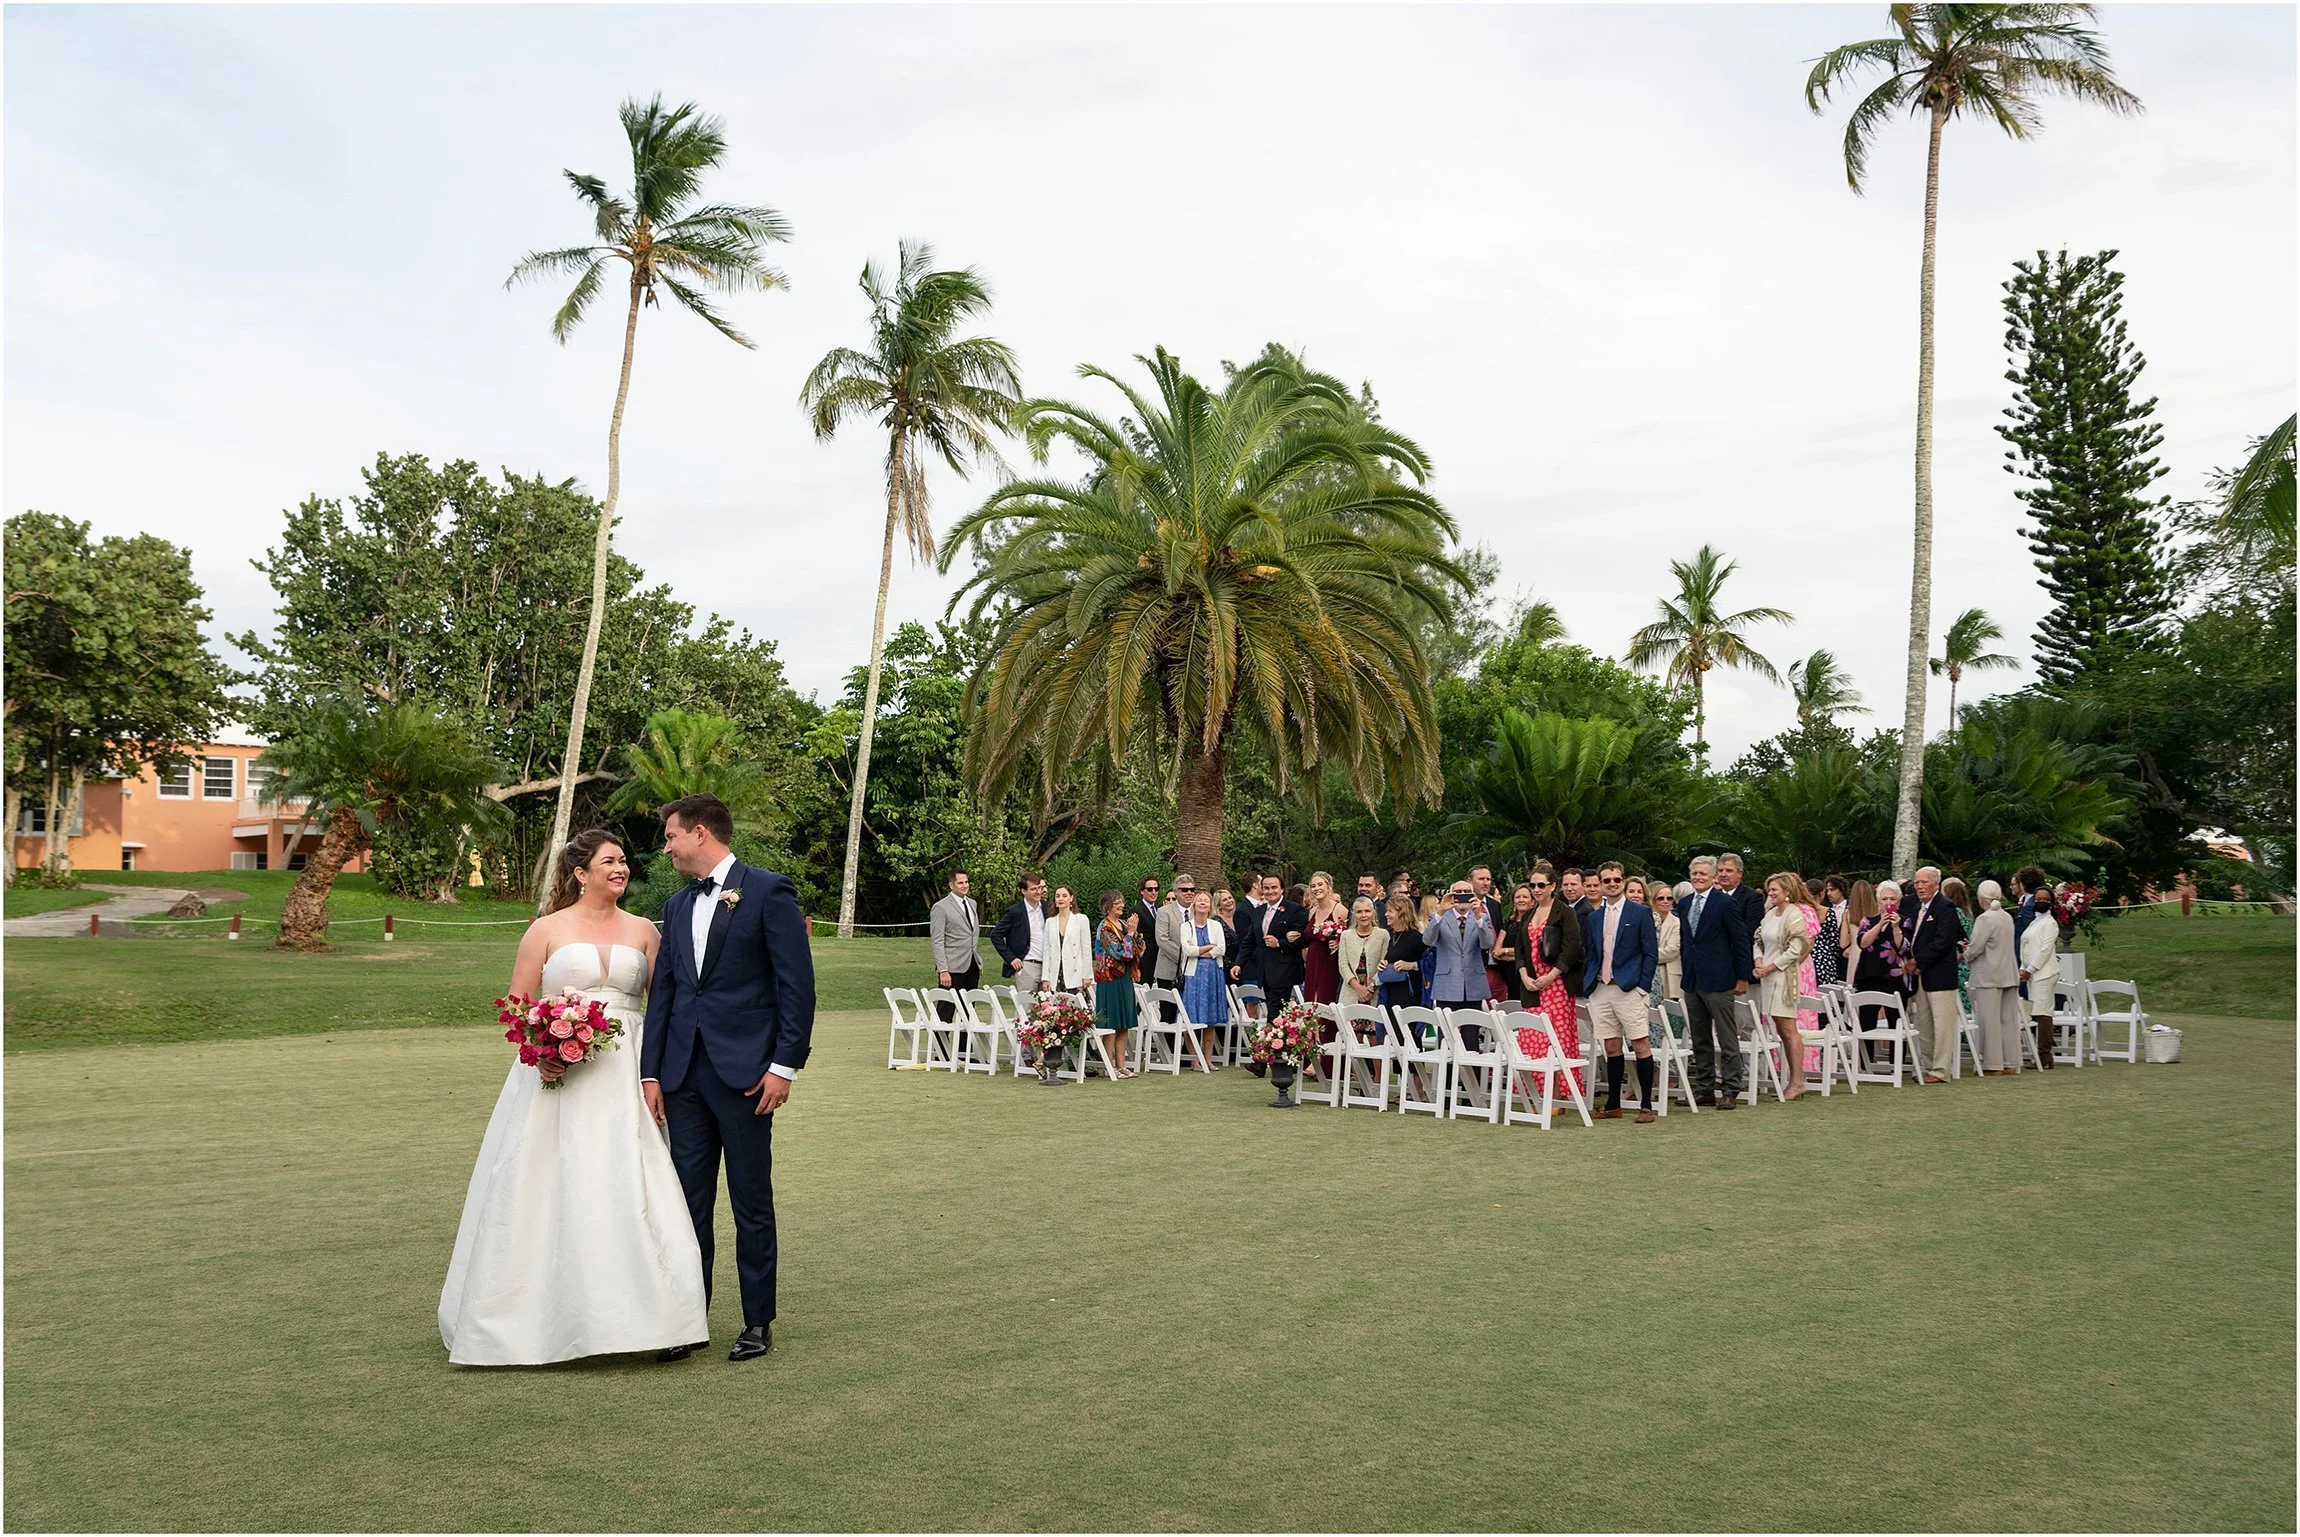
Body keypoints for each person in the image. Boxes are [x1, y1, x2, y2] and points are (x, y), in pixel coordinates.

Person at [440, 829, 709, 1366]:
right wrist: (542, 1047)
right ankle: (522, 1319)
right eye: (609, 861)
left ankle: (654, 1318)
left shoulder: (645, 931)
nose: (622, 867)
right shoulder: (546, 929)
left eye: (624, 860)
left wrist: (659, 1073)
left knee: (630, 1180)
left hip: (628, 1070)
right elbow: (517, 1005)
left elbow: (665, 1006)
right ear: (580, 873)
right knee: (547, 1181)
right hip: (557, 1075)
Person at [638, 793, 816, 1363]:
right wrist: (651, 1074)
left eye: (670, 837)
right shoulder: (675, 904)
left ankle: (757, 1321)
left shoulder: (768, 891)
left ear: (700, 833)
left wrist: (782, 1066)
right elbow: (664, 993)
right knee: (686, 1203)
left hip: (747, 1077)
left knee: (750, 1203)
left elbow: (797, 987)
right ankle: (686, 1322)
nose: (665, 847)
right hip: (682, 1077)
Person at [1580, 860, 1659, 1124]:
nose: (1612, 884)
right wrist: (1590, 985)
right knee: (1611, 1046)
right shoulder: (1594, 917)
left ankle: (1646, 1105)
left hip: (1629, 988)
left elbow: (1650, 953)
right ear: (1600, 884)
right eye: (1607, 880)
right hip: (1601, 989)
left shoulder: (1639, 913)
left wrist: (1642, 986)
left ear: (1623, 880)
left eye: (1616, 879)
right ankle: (1613, 1103)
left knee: (1640, 1043)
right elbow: (1592, 953)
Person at [1677, 855, 1753, 1108]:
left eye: (1702, 874)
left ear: (1712, 877)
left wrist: (1743, 976)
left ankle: (1731, 1089)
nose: (1698, 877)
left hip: (1720, 980)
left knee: (1726, 1036)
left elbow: (1740, 941)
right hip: (1693, 979)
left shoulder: (1724, 903)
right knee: (1700, 1037)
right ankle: (1705, 1088)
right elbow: (1687, 941)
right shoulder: (1685, 903)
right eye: (1694, 873)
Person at [1514, 873, 1586, 1104]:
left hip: (1557, 985)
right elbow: (1520, 949)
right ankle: (1537, 1094)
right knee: (1533, 1038)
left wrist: (1552, 975)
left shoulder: (1565, 913)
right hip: (1532, 986)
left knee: (1556, 1040)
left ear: (1552, 886)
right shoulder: (1530, 913)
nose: (1536, 889)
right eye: (1532, 885)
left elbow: (1572, 947)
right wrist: (1524, 974)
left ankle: (1556, 1095)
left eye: (1541, 885)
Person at [1753, 873, 1815, 1101]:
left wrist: (1771, 967)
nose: (1771, 893)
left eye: (1775, 890)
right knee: (1780, 1029)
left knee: (1789, 1029)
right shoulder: (1769, 915)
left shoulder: (1795, 915)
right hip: (1768, 977)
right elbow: (1758, 940)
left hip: (1784, 977)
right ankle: (1792, 1079)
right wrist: (1758, 961)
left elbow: (1797, 949)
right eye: (1769, 890)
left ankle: (1797, 1081)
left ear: (1787, 892)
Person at [1902, 866, 1962, 1084]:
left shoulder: (1945, 906)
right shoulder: (1918, 907)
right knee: (1924, 1024)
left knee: (1942, 1025)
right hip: (1922, 976)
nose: (1919, 886)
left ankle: (1940, 1070)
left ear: (1936, 883)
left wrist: (1918, 961)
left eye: (1924, 882)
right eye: (1917, 882)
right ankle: (1927, 1066)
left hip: (1940, 975)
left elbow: (1943, 940)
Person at [1422, 879, 1496, 1038]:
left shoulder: (1481, 917)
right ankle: (1447, 1064)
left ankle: (1472, 1063)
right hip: (1447, 984)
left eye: (1466, 893)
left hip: (1473, 985)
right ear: (1450, 895)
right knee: (1447, 1039)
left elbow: (1487, 943)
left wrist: (1478, 918)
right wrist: (1441, 912)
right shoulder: (1438, 917)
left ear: (1473, 896)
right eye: (1458, 893)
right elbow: (1427, 940)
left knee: (1471, 1038)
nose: (1462, 896)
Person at [1966, 879, 2021, 1074]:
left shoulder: (1985, 918)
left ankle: (1993, 1063)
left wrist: (1965, 952)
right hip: (2008, 972)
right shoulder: (2006, 916)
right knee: (2007, 1019)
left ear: (1981, 898)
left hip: (1989, 975)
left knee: (1989, 1020)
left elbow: (1976, 947)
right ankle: (2010, 1062)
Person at [2013, 866, 2060, 1070]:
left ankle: (2044, 1056)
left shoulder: (2050, 923)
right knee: (2037, 1012)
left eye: (2045, 899)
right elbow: (2025, 946)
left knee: (2043, 1013)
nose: (2041, 902)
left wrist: (2029, 969)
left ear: (2051, 903)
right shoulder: (2035, 922)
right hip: (2031, 974)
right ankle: (2040, 1055)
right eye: (2038, 898)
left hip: (2043, 973)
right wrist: (2023, 968)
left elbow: (2044, 950)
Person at [1179, 889, 1228, 1068]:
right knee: (1192, 1018)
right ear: (1194, 904)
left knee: (1210, 1019)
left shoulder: (1216, 926)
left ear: (1210, 906)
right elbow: (1188, 951)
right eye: (1199, 900)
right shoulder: (1186, 926)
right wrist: (1209, 947)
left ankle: (1208, 1059)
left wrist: (1199, 951)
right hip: (1193, 977)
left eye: (1205, 901)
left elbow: (1221, 949)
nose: (1202, 903)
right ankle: (1195, 1060)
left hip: (1213, 975)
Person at [1093, 891, 1140, 1079]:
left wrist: (1133, 933)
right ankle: (1108, 1065)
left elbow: (1139, 949)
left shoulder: (1122, 925)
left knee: (1124, 1023)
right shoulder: (1105, 928)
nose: (1121, 905)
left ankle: (1122, 1065)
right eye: (1117, 903)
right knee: (1111, 1023)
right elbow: (1121, 953)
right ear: (1108, 907)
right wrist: (1130, 934)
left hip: (1125, 978)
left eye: (1122, 902)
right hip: (1109, 979)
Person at [929, 869, 981, 1021]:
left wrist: (977, 961)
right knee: (946, 1010)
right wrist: (943, 969)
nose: (965, 886)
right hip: (951, 968)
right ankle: (939, 1045)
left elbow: (971, 935)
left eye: (966, 882)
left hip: (971, 964)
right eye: (960, 883)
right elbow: (937, 941)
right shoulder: (941, 907)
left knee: (968, 1011)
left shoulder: (972, 903)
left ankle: (965, 1045)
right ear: (951, 885)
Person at [990, 871, 1052, 995]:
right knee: (1027, 1008)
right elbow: (995, 935)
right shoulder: (1015, 912)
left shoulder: (1048, 908)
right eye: (1034, 889)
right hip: (1027, 965)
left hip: (1048, 967)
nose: (1038, 892)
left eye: (1039, 888)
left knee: (1049, 1009)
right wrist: (1011, 958)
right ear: (1023, 891)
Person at [1151, 873, 1199, 1019]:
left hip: (1193, 970)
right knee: (1168, 1013)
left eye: (1192, 889)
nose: (1189, 892)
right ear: (1176, 892)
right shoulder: (1164, 912)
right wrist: (1186, 956)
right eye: (1184, 890)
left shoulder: (1198, 912)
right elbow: (1162, 940)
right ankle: (1169, 1043)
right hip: (1168, 970)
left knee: (1189, 1012)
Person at [1337, 897, 1389, 1025]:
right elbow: (1343, 965)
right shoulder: (1346, 935)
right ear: (1354, 914)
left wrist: (1370, 988)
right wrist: (1358, 988)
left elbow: (1384, 963)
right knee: (1353, 1037)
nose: (1363, 915)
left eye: (1367, 911)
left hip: (1374, 992)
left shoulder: (1383, 935)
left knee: (1375, 1038)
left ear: (1373, 913)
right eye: (1359, 912)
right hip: (1351, 992)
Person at [1259, 880, 1309, 1006]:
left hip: (1286, 969)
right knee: (1273, 1009)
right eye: (1266, 888)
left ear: (1282, 889)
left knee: (1278, 1011)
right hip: (1266, 970)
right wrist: (1239, 963)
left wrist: (1279, 943)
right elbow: (1250, 940)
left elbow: (1301, 939)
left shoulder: (1295, 910)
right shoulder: (1259, 911)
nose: (1270, 891)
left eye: (1274, 887)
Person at [1301, 871, 1348, 1005]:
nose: (1316, 889)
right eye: (1313, 886)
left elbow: (1349, 937)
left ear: (1329, 887)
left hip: (1329, 961)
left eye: (1320, 884)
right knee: (1311, 1001)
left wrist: (1339, 943)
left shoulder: (1340, 910)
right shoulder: (1312, 911)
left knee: (1325, 999)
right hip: (1312, 962)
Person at [1495, 880, 1539, 1006]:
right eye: (1517, 897)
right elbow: (1496, 952)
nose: (1521, 900)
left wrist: (1507, 952)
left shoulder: (1535, 924)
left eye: (1525, 897)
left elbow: (1533, 952)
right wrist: (1520, 954)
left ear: (1533, 902)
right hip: (1509, 976)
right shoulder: (1508, 924)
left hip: (1530, 976)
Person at [1379, 893, 1426, 1012]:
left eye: (1390, 911)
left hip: (1409, 993)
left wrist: (1412, 965)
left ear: (1402, 913)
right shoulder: (1392, 935)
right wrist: (1384, 964)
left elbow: (1430, 961)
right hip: (1391, 992)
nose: (1386, 914)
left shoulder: (1416, 937)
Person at [1043, 884, 1094, 994]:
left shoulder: (1081, 919)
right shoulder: (1050, 922)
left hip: (1076, 974)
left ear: (1071, 898)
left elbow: (1086, 950)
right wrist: (1045, 977)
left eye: (1064, 896)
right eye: (1057, 896)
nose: (1060, 899)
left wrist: (1087, 975)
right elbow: (1047, 952)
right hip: (1056, 974)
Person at [1470, 864, 1508, 996]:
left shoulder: (1494, 905)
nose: (1486, 883)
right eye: (1481, 879)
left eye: (1488, 879)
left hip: (1497, 966)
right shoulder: (1461, 907)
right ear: (1469, 881)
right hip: (1474, 968)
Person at [1941, 875, 1977, 1014]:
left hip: (1957, 961)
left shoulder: (1954, 912)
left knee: (1959, 1004)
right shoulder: (1968, 913)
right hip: (1966, 961)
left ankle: (1961, 1034)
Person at [1813, 876, 1849, 992]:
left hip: (1845, 957)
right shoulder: (1825, 911)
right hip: (1828, 960)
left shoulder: (1851, 908)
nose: (1829, 893)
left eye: (1832, 889)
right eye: (1827, 890)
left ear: (1841, 889)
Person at [1649, 880, 1682, 1002]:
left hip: (1670, 978)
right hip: (1648, 976)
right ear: (1653, 900)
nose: (1665, 901)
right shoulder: (1646, 920)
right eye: (1660, 898)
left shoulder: (1677, 923)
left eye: (1669, 898)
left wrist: (1646, 956)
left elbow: (1672, 950)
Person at [1716, 853, 1765, 935]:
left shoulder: (1753, 897)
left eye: (1729, 871)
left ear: (1740, 874)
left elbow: (1750, 930)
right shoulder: (1712, 896)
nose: (1723, 874)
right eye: (1720, 871)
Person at [1130, 876, 1164, 984]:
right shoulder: (1136, 911)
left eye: (1156, 889)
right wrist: (1137, 967)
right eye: (1149, 889)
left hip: (1159, 961)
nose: (1153, 892)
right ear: (1142, 891)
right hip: (1145, 963)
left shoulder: (1159, 910)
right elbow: (1134, 941)